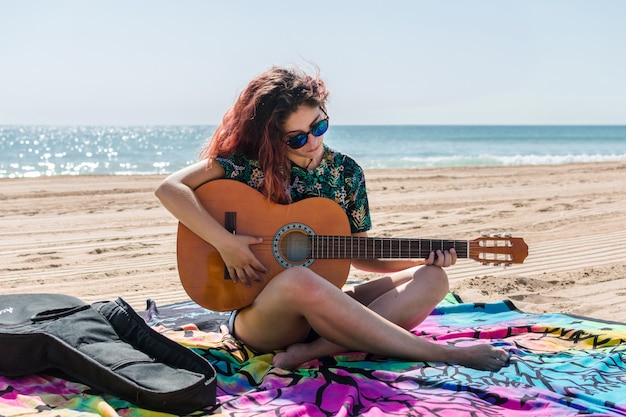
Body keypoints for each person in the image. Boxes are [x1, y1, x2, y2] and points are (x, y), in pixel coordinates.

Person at [155, 66, 509, 371]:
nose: (312, 142)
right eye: (297, 137)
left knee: (433, 280)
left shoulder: (346, 172)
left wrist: (423, 256)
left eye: (319, 126)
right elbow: (170, 188)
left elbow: (359, 254)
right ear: (273, 138)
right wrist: (226, 243)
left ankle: (319, 350)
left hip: (325, 312)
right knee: (298, 280)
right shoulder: (246, 166)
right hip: (262, 317)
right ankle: (442, 354)